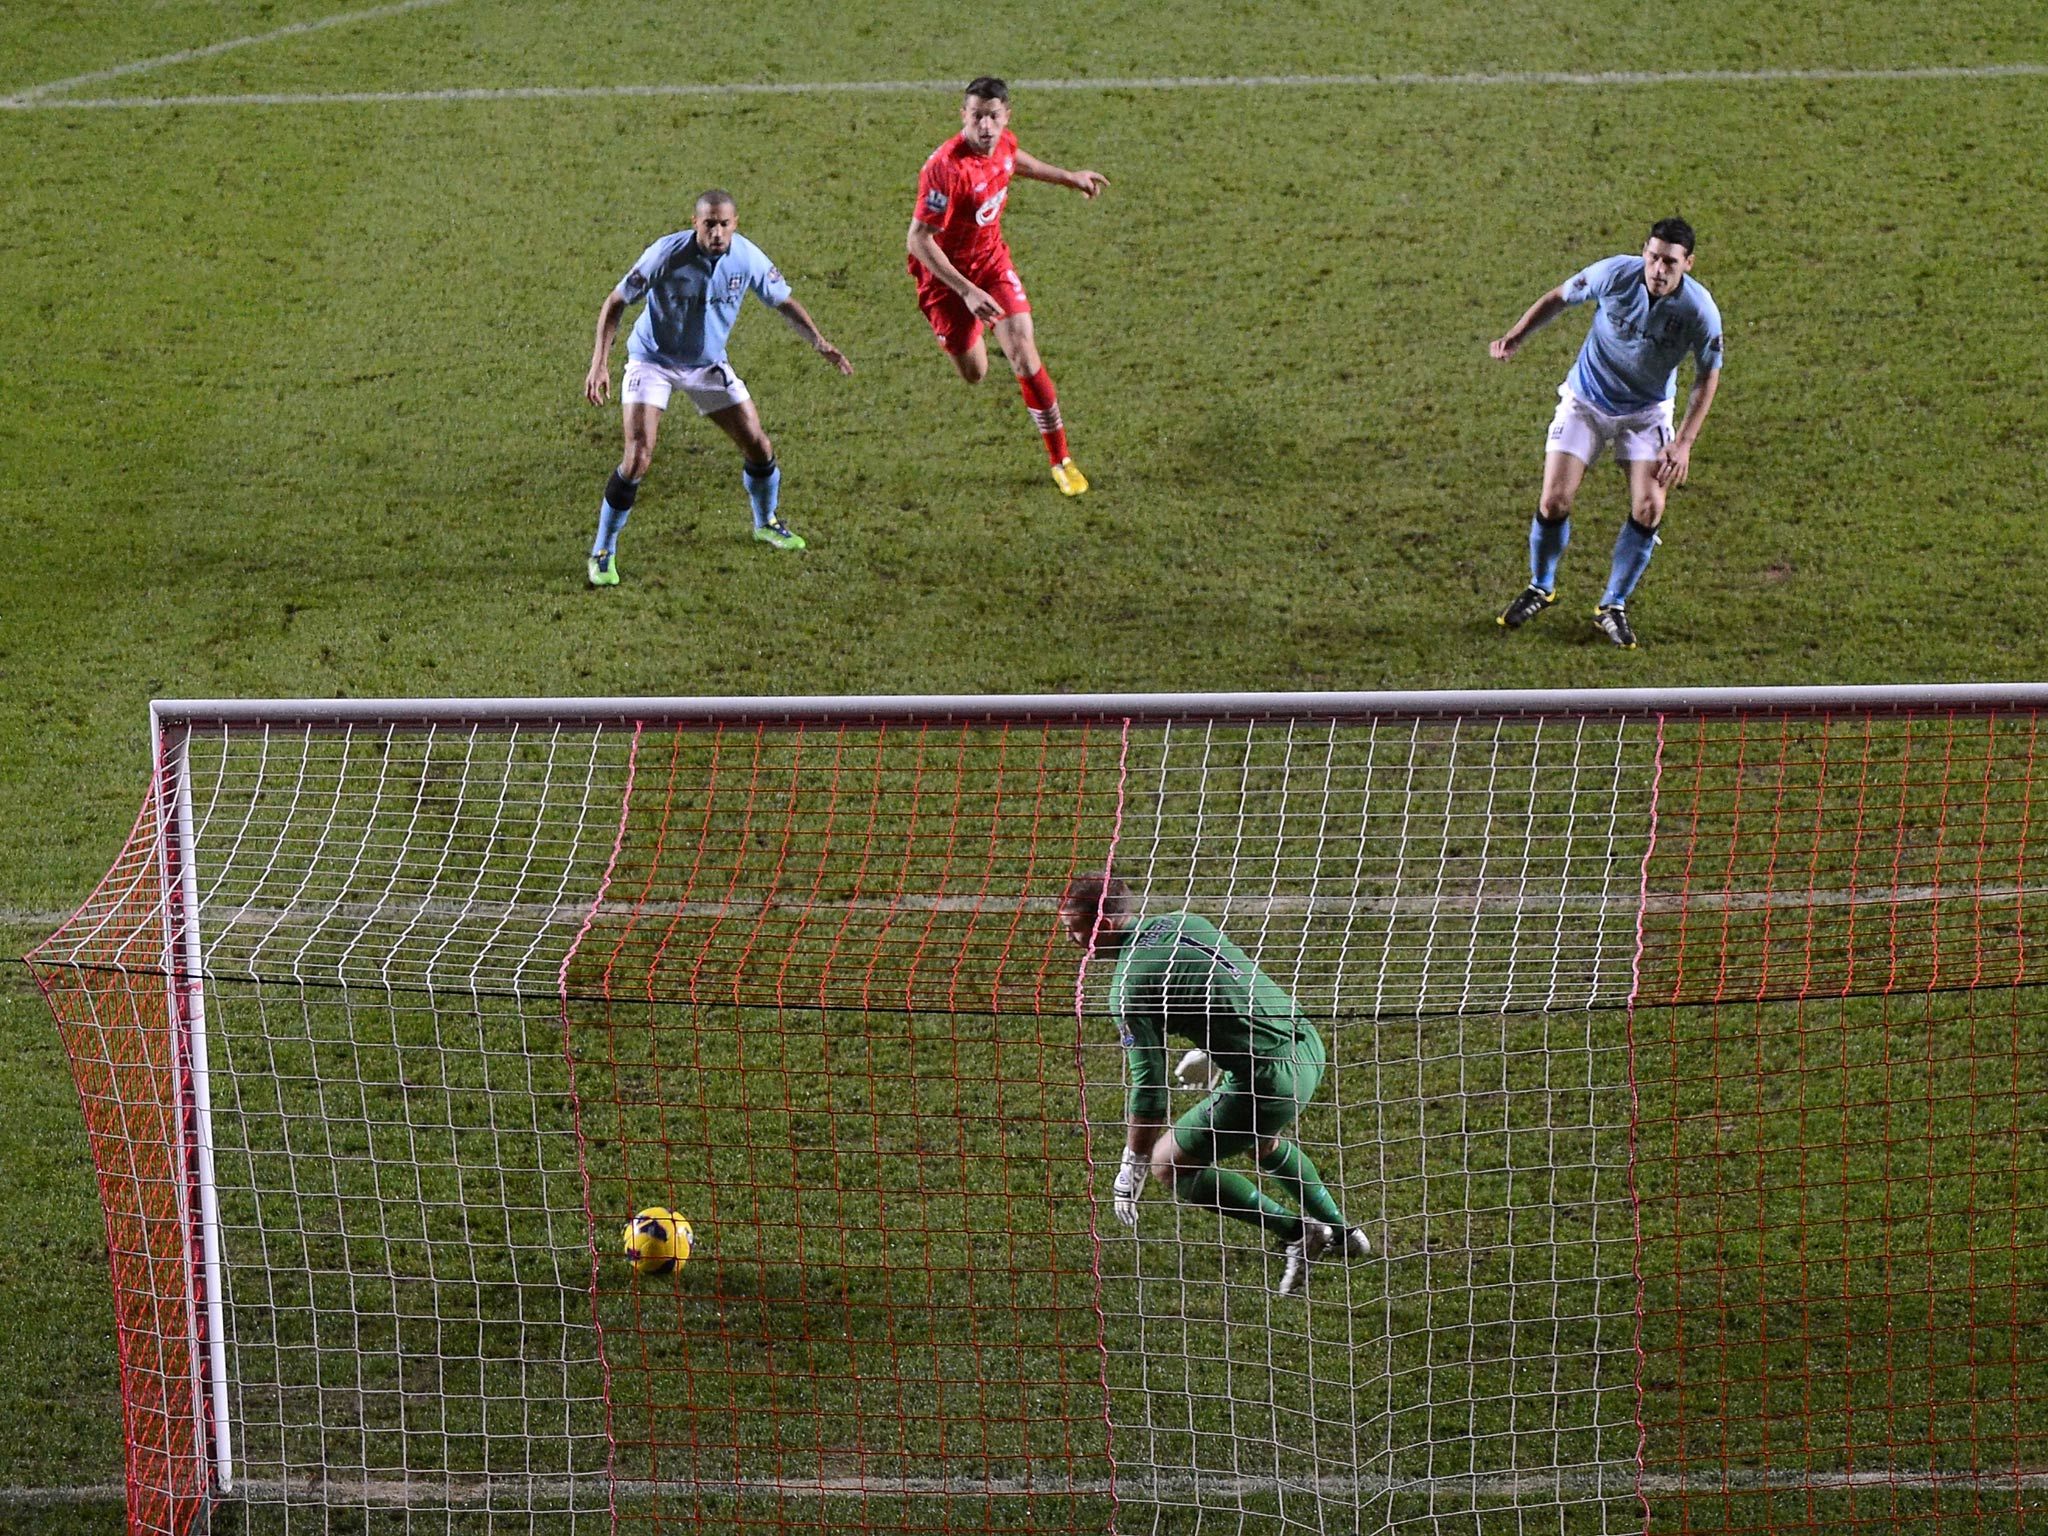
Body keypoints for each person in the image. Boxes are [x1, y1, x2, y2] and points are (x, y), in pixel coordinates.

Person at [1059, 874, 1370, 1296]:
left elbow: (1150, 1090)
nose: (1070, 940)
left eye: (1073, 930)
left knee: (1168, 1164)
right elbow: (1231, 987)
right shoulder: (1185, 921)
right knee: (1263, 1142)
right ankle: (1344, 1232)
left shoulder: (1127, 988)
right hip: (1307, 1045)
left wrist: (1131, 1165)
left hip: (1267, 1081)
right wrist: (1216, 1052)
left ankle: (1298, 1232)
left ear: (1104, 927)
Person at [582, 190, 853, 585]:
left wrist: (819, 341)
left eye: (724, 224)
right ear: (695, 223)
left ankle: (766, 522)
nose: (717, 232)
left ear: (735, 224)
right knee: (638, 456)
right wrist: (599, 363)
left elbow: (783, 301)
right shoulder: (665, 254)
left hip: (706, 365)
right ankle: (602, 551)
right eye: (709, 223)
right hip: (652, 361)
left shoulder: (747, 258)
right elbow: (616, 302)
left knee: (759, 446)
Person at [1489, 217, 1724, 648]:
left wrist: (1684, 441)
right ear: (1644, 252)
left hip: (1646, 413)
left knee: (1650, 507)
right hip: (1586, 401)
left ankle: (1612, 605)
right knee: (1554, 499)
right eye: (1653, 257)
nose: (1657, 269)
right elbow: (1559, 297)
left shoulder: (1700, 311)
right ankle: (1541, 586)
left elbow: (1708, 375)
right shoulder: (1614, 274)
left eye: (1669, 262)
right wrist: (1516, 337)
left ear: (1687, 264)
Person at [908, 76, 1107, 497]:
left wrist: (1069, 177)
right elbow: (918, 240)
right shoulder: (945, 169)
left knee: (1022, 351)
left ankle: (1061, 459)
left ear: (1005, 117)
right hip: (946, 282)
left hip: (992, 266)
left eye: (993, 117)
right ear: (963, 115)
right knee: (975, 373)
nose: (985, 126)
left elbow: (1017, 161)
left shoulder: (1004, 143)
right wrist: (965, 291)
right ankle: (971, 324)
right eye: (977, 116)